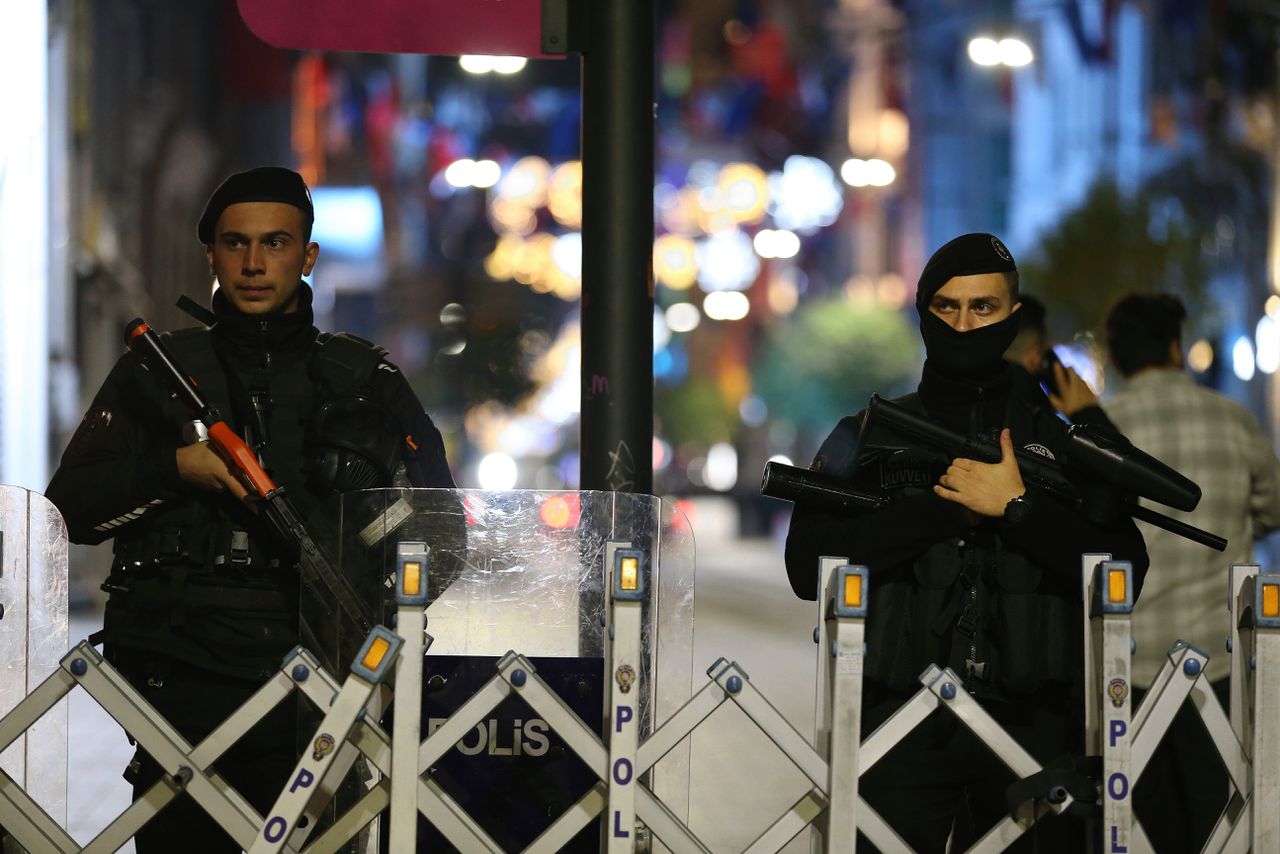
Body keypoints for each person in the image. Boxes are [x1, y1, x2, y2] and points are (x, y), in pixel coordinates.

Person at [46, 166, 456, 853]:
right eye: (236, 244)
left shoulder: (367, 382)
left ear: (308, 255)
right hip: (177, 675)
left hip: (324, 681)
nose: (256, 263)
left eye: (276, 243)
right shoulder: (158, 371)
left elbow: (441, 535)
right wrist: (175, 470)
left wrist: (359, 599)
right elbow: (70, 511)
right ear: (211, 254)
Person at [785, 233, 1149, 852]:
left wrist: (1017, 508)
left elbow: (1124, 570)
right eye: (947, 307)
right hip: (897, 728)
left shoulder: (1061, 445)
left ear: (1012, 315)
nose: (963, 322)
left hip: (1034, 735)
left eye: (982, 307)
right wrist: (939, 511)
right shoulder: (867, 434)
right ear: (923, 313)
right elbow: (805, 566)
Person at [1066, 292, 1280, 852]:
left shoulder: (1104, 429)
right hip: (1220, 662)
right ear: (1176, 347)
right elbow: (1275, 508)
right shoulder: (1234, 418)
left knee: (1142, 826)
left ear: (1113, 357)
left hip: (1127, 670)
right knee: (1220, 823)